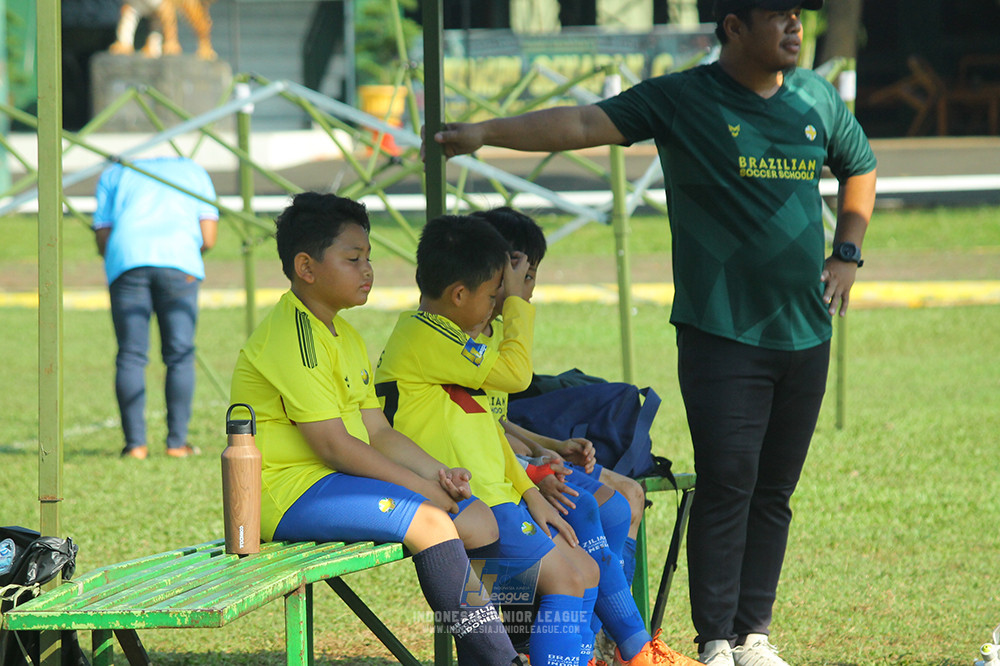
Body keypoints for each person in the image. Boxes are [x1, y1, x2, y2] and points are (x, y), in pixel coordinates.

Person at [425, 2, 878, 665]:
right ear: (733, 27)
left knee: (775, 492)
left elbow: (859, 165)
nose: (794, 27)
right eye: (775, 14)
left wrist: (848, 251)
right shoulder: (685, 99)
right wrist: (483, 132)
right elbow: (583, 122)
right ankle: (717, 641)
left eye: (797, 14)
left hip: (805, 335)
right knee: (729, 484)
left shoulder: (814, 97)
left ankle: (756, 637)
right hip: (721, 334)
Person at [375, 214, 697, 666]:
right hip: (471, 506)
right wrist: (516, 306)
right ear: (461, 294)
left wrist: (529, 488)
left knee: (579, 566)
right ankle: (627, 650)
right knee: (567, 574)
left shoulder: (444, 339)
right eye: (493, 293)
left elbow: (490, 430)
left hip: (495, 498)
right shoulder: (427, 337)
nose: (498, 303)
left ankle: (603, 651)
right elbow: (515, 374)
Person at [229, 192, 520, 666]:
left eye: (369, 257)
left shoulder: (346, 335)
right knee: (431, 521)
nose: (368, 269)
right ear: (306, 267)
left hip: (332, 483)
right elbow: (334, 447)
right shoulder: (292, 336)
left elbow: (378, 432)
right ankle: (503, 661)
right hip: (288, 494)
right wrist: (423, 490)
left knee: (478, 517)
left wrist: (441, 473)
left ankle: (494, 653)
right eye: (352, 258)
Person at [471, 207, 686, 666]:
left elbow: (490, 418)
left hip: (507, 468)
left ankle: (607, 648)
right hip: (479, 485)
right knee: (587, 512)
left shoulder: (482, 336)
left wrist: (546, 448)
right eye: (525, 276)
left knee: (613, 502)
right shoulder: (461, 340)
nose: (530, 289)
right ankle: (626, 648)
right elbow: (482, 411)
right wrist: (531, 470)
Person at [93, 155, 220, 459]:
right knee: (179, 354)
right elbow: (209, 237)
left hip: (127, 262)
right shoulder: (194, 171)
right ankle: (177, 444)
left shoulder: (115, 172)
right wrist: (184, 254)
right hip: (180, 263)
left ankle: (135, 445)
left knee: (131, 354)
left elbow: (102, 235)